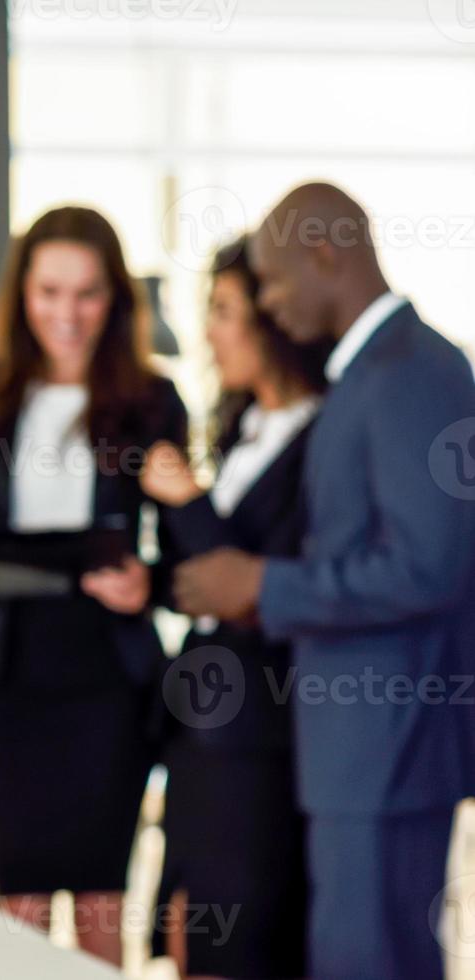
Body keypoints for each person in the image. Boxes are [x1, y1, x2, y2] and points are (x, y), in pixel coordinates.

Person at [175, 182, 475, 979]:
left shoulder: (413, 372)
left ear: (324, 254)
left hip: (388, 741)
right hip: (359, 748)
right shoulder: (375, 371)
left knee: (369, 961)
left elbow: (428, 566)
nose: (269, 305)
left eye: (271, 281)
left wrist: (264, 586)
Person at [0, 205, 186, 965]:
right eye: (49, 292)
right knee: (16, 896)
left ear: (114, 299)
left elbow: (187, 546)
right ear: (21, 296)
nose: (66, 314)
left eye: (85, 294)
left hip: (107, 678)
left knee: (98, 899)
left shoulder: (152, 401)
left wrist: (150, 583)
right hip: (15, 674)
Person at [142, 236, 331, 979]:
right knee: (187, 925)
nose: (208, 334)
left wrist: (188, 502)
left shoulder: (323, 441)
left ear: (273, 317)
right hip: (198, 727)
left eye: (222, 312)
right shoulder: (239, 429)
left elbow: (257, 587)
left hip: (256, 735)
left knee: (236, 940)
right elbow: (201, 580)